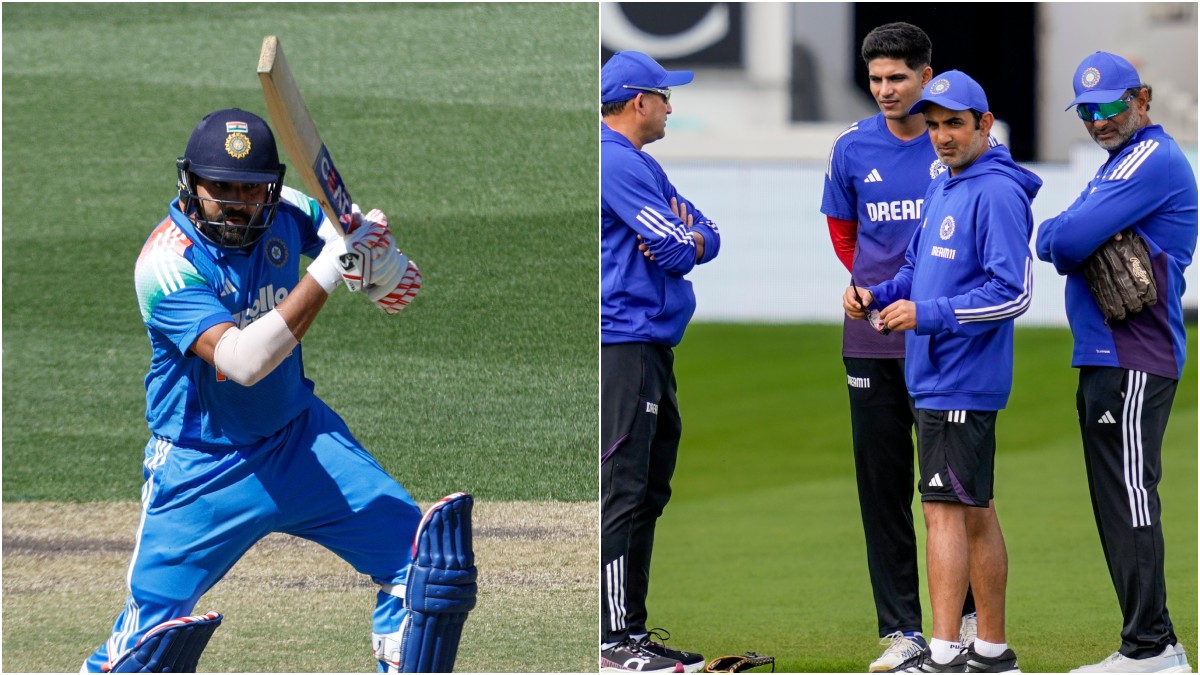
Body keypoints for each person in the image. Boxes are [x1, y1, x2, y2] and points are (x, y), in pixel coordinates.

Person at [83, 108, 474, 673]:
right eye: (220, 187)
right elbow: (244, 362)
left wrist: (376, 260)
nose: (237, 202)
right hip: (202, 467)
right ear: (191, 183)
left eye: (250, 189)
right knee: (146, 650)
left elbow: (366, 264)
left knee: (428, 574)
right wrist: (335, 266)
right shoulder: (166, 263)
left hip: (298, 441)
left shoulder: (285, 208)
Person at [844, 70, 1040, 673]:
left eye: (954, 123)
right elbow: (914, 269)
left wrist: (926, 314)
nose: (942, 136)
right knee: (973, 511)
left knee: (943, 513)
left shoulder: (997, 192)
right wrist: (876, 294)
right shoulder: (944, 184)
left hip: (962, 377)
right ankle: (991, 651)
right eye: (933, 125)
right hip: (936, 376)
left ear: (985, 124)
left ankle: (946, 651)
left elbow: (1012, 293)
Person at [820, 23, 978, 671]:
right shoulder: (851, 147)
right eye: (876, 79)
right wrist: (869, 291)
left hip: (942, 344)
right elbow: (843, 231)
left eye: (897, 78)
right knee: (882, 492)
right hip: (871, 342)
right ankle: (904, 631)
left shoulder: (957, 143)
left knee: (956, 490)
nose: (885, 90)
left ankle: (968, 624)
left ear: (924, 75)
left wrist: (930, 303)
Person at [1035, 51, 1196, 674]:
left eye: (1110, 105)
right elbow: (1051, 237)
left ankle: (1152, 648)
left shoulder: (1149, 158)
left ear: (1142, 99)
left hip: (1134, 351)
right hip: (1110, 352)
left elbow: (1066, 239)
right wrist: (1063, 233)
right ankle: (1150, 644)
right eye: (1086, 110)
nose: (1098, 119)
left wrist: (1066, 233)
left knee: (1130, 497)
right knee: (1116, 500)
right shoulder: (1120, 163)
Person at [600, 51, 722, 674]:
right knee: (624, 487)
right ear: (639, 101)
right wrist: (685, 239)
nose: (671, 107)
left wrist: (689, 236)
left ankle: (631, 630)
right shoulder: (616, 162)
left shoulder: (638, 162)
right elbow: (675, 251)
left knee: (647, 487)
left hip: (645, 344)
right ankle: (610, 639)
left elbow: (706, 233)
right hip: (623, 342)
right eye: (665, 96)